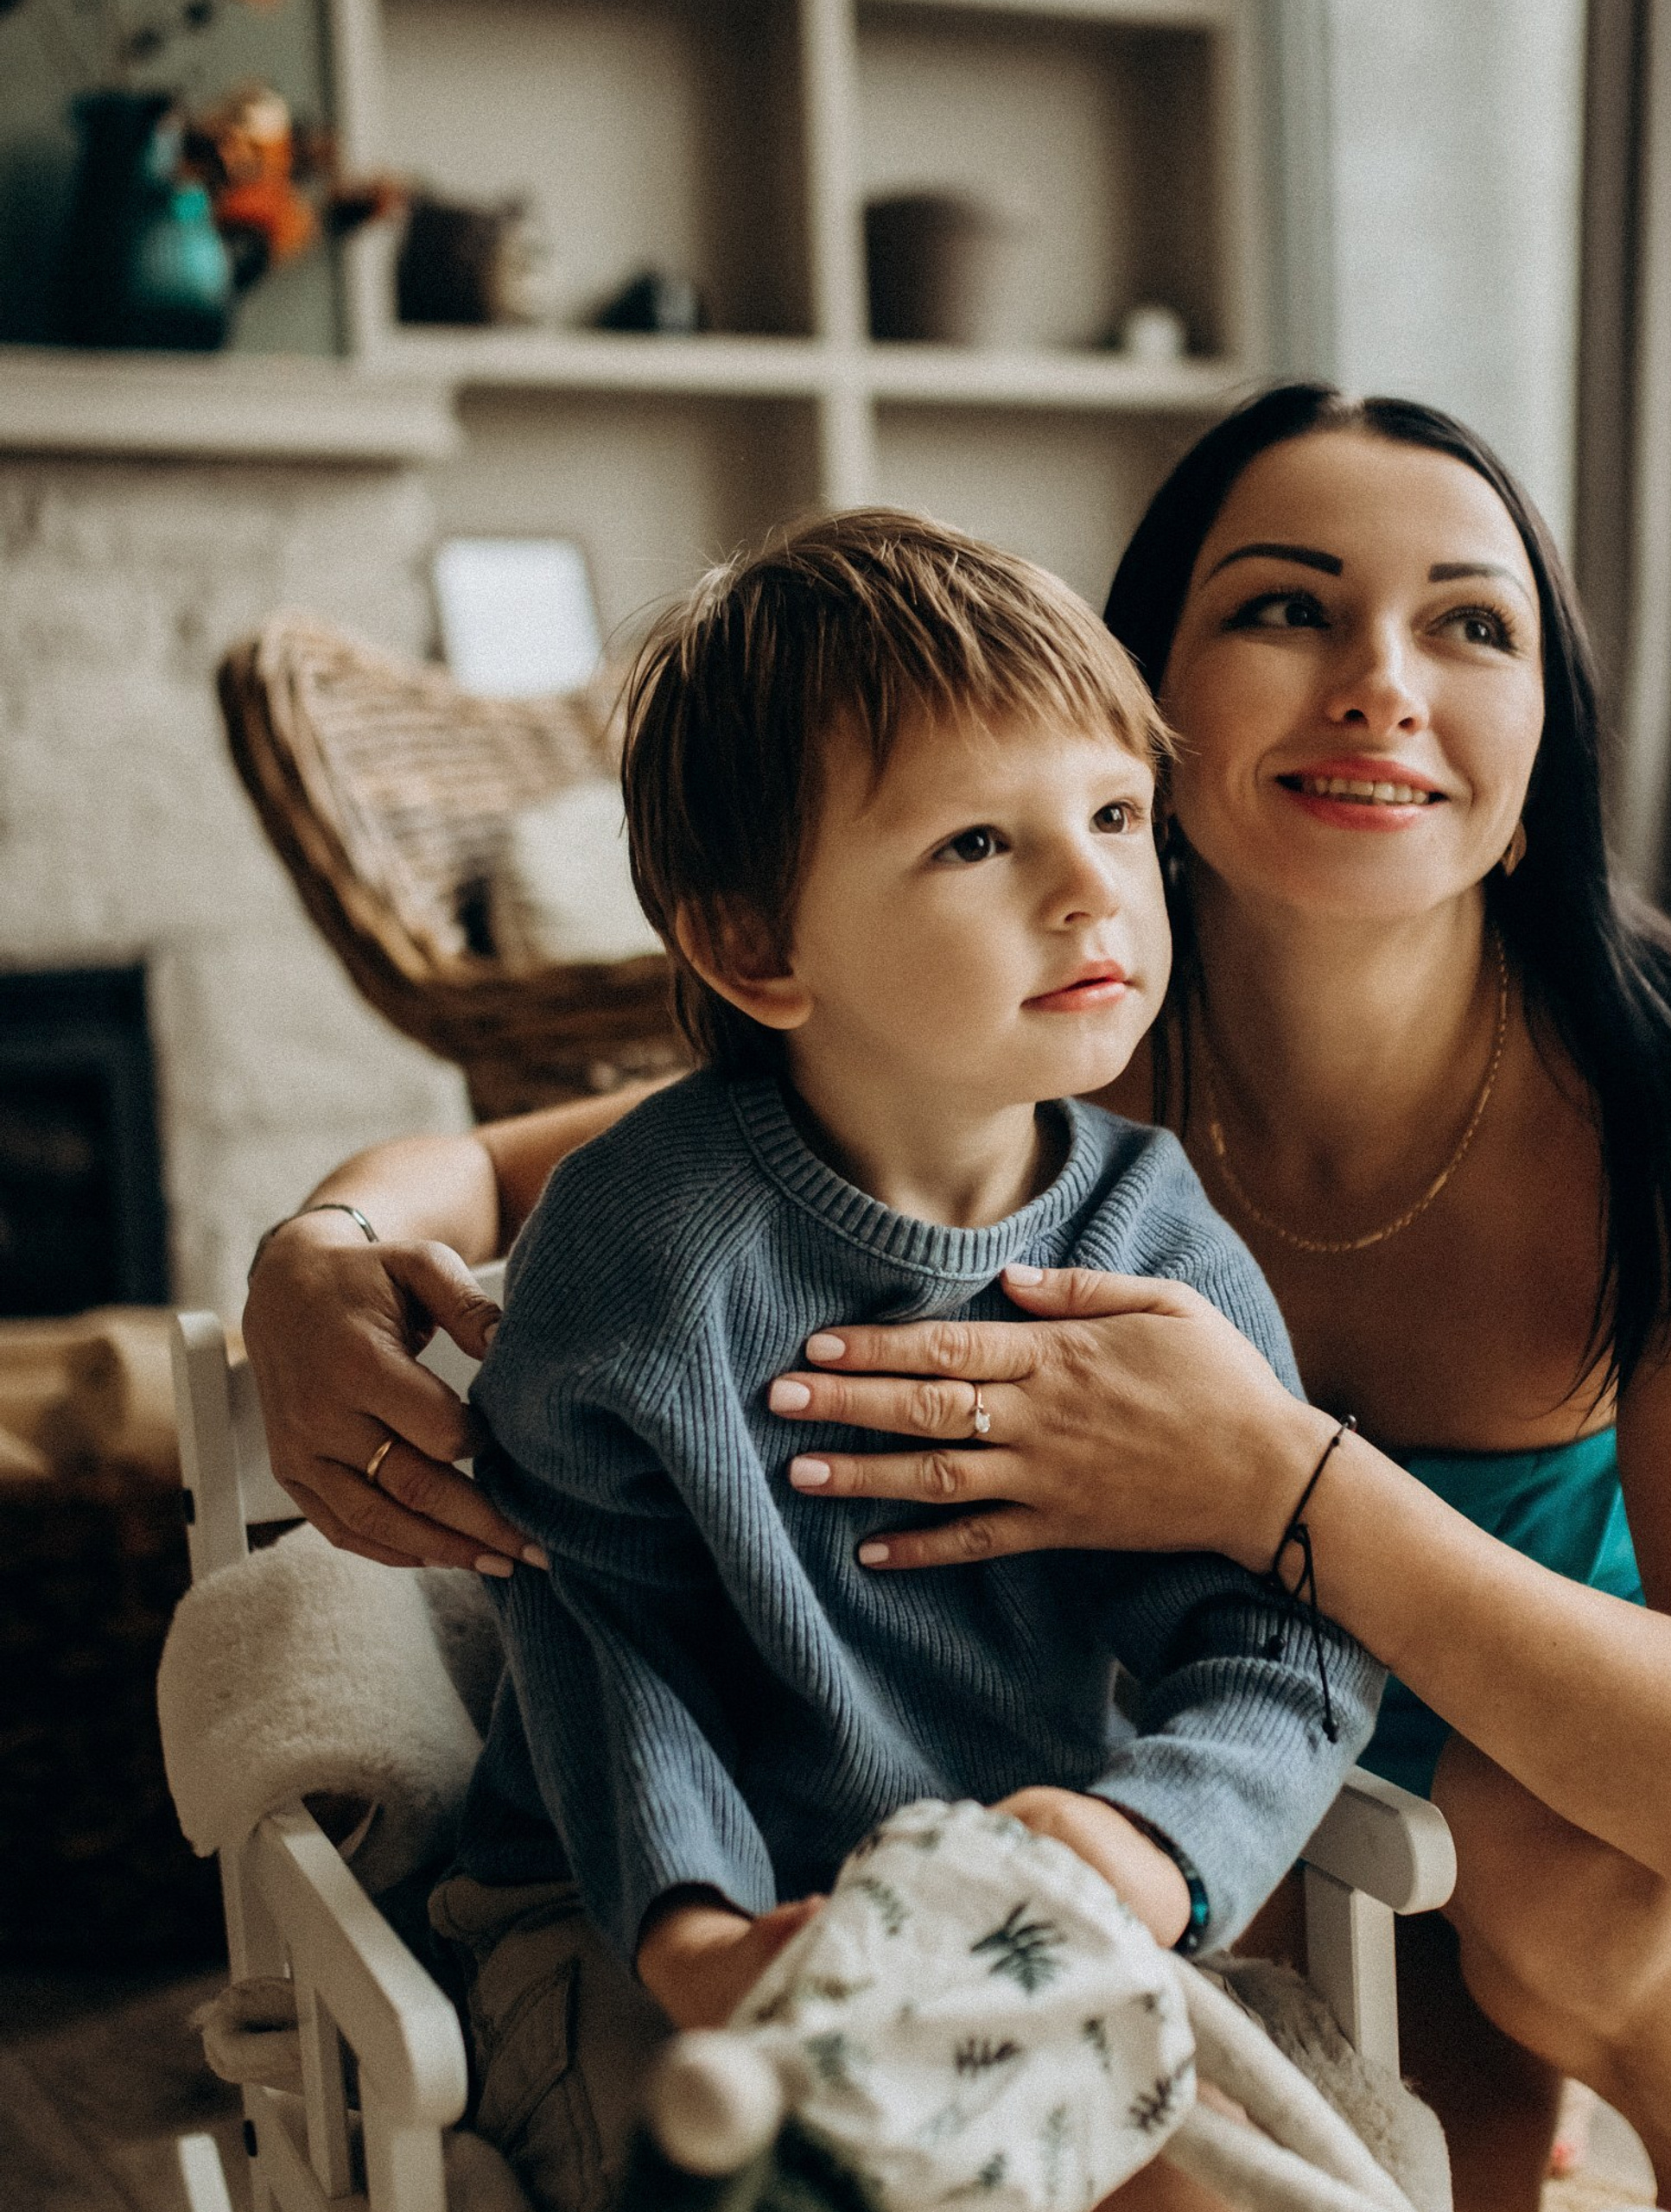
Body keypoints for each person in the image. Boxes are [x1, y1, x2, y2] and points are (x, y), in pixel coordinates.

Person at [245, 388, 1671, 2212]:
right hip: (1270, 1711)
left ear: (1542, 728)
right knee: (1396, 2162)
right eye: (1283, 607)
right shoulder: (1056, 1042)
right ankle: (1498, 2046)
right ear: (1138, 686)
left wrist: (1278, 1481)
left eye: (1470, 621)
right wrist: (318, 1257)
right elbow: (538, 1169)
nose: (1380, 680)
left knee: (1568, 1874)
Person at [423, 510, 1377, 2212]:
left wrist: (1151, 1839)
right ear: (756, 947)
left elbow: (1285, 1622)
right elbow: (595, 1632)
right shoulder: (641, 1247)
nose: (1091, 884)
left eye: (1110, 815)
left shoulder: (1157, 1253)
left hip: (1007, 1913)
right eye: (973, 844)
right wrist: (700, 1929)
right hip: (628, 1913)